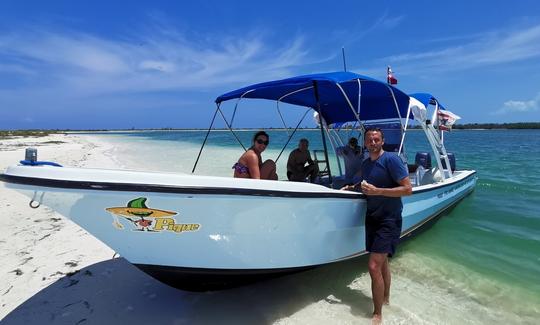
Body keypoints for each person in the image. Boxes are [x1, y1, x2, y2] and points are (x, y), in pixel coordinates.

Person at [342, 128, 412, 323]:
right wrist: (352, 187)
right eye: (369, 140)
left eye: (376, 139)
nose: (373, 142)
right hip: (372, 217)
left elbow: (407, 189)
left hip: (389, 219)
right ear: (365, 143)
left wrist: (379, 191)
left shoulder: (392, 160)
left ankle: (377, 313)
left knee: (373, 266)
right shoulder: (366, 164)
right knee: (382, 264)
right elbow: (366, 184)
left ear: (382, 141)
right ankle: (386, 298)